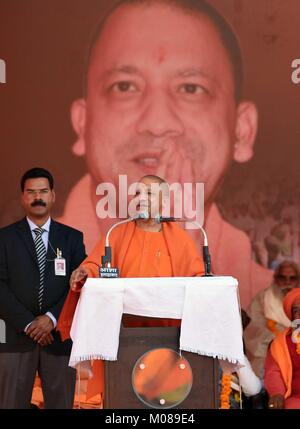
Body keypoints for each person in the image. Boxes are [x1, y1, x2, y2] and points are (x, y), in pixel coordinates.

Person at [59, 0, 272, 308]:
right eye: (125, 86)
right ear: (82, 123)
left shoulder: (265, 302)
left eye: (190, 88)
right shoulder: (42, 268)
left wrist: (189, 262)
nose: (157, 124)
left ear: (242, 130)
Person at [57, 174, 204, 402]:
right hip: (123, 332)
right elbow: (96, 264)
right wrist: (86, 272)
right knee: (122, 397)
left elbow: (197, 277)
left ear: (163, 201)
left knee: (163, 399)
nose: (141, 198)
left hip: (167, 335)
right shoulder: (117, 232)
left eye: (149, 193)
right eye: (137, 193)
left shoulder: (180, 238)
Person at [0, 168, 86, 409]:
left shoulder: (72, 239)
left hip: (58, 339)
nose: (38, 197)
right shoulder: (4, 238)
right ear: (23, 197)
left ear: (53, 196)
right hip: (14, 339)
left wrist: (51, 318)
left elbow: (80, 285)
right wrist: (29, 323)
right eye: (31, 192)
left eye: (43, 191)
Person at [244, 261, 300, 379]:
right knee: (263, 367)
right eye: (282, 278)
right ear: (275, 278)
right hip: (270, 346)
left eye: (292, 278)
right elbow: (253, 326)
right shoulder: (263, 298)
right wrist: (274, 341)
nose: (287, 282)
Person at [264, 288, 300, 409]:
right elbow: (273, 373)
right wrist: (277, 394)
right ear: (291, 316)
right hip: (294, 399)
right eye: (296, 310)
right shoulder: (280, 343)